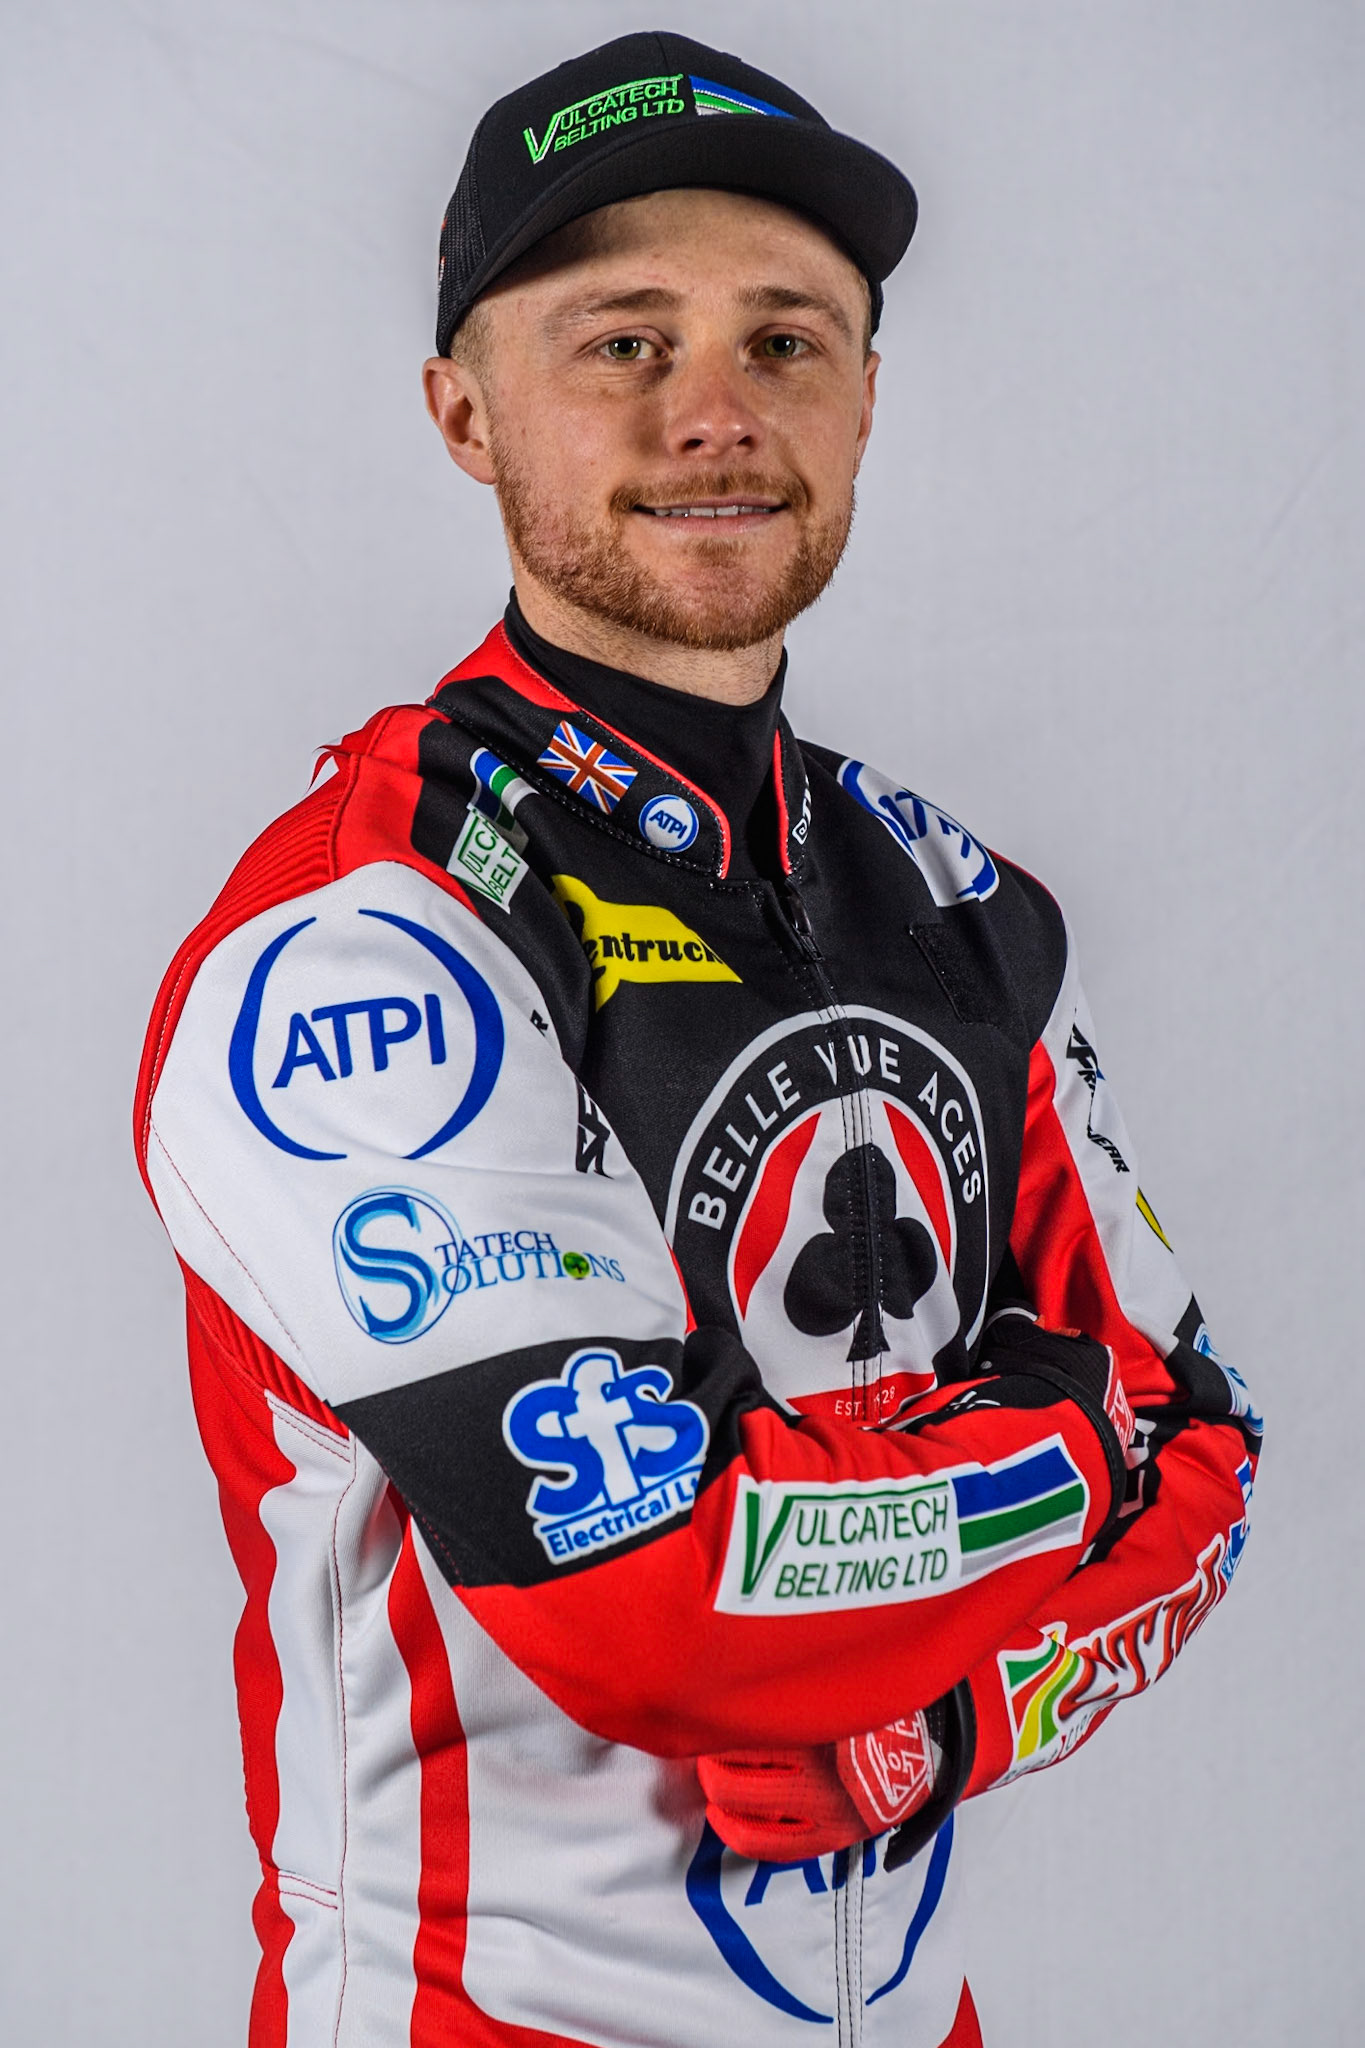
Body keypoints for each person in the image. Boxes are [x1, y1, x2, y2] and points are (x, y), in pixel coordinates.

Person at [134, 30, 1261, 2048]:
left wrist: (948, 1719)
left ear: (867, 397)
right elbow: (649, 1599)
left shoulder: (959, 903)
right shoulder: (364, 934)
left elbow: (1208, 1447)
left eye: (785, 339)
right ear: (464, 413)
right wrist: (1053, 1442)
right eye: (625, 342)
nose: (717, 411)